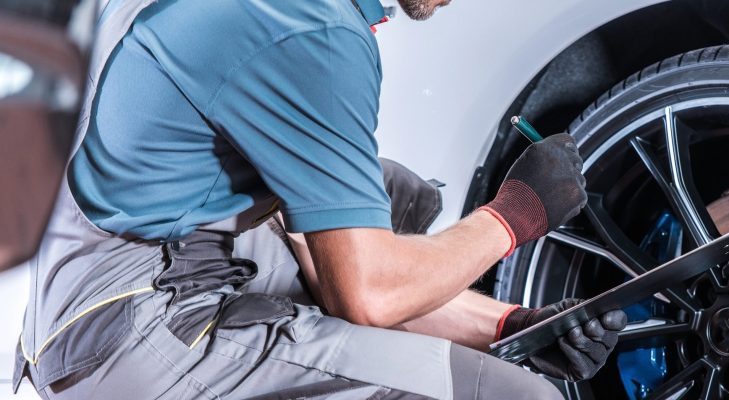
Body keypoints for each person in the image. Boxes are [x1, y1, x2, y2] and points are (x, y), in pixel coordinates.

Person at [14, 0, 627, 398]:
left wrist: (510, 325)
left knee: (392, 198)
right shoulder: (312, 29)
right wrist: (514, 215)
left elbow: (324, 261)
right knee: (519, 399)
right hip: (133, 333)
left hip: (87, 288)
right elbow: (368, 293)